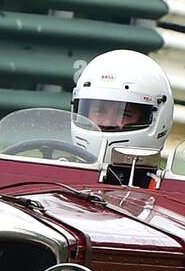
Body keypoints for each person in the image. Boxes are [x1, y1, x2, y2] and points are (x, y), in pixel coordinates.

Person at [70, 50, 174, 185]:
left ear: (159, 118)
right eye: (99, 111)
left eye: (125, 114)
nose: (108, 123)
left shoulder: (165, 191)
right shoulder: (56, 172)